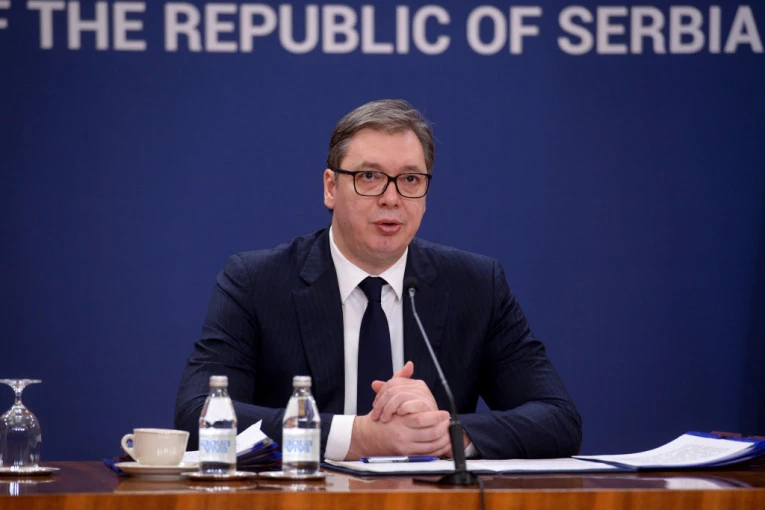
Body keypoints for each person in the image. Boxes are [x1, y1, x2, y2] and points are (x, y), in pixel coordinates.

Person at [175, 99, 582, 460]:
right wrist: (358, 437)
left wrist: (447, 435)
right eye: (369, 176)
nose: (391, 198)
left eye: (410, 179)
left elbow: (559, 418)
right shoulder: (257, 282)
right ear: (331, 188)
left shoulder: (476, 286)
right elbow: (198, 414)